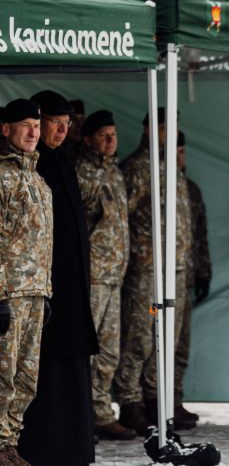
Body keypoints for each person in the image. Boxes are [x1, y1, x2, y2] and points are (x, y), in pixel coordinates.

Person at [17, 90, 99, 466]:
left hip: (70, 283)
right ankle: (45, 448)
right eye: (54, 122)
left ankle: (71, 448)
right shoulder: (32, 167)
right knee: (42, 367)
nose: (63, 130)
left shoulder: (60, 162)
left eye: (67, 124)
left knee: (69, 361)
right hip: (40, 284)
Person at [113, 108, 194, 433]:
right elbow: (122, 218)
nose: (169, 132)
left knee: (167, 339)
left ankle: (154, 398)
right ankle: (129, 399)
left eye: (173, 126)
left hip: (175, 266)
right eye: (163, 127)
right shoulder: (137, 168)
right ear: (148, 130)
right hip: (147, 267)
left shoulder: (171, 168)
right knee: (140, 335)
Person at [0, 99, 54, 466]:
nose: (34, 132)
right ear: (6, 129)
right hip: (9, 294)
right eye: (26, 125)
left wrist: (46, 291)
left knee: (26, 379)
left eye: (37, 125)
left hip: (34, 292)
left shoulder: (38, 180)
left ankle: (10, 447)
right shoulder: (1, 177)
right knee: (2, 377)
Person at [73, 109, 136, 441]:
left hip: (116, 273)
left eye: (114, 134)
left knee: (110, 350)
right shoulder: (82, 172)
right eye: (103, 135)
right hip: (95, 273)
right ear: (88, 139)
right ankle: (82, 415)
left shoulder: (114, 172)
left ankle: (100, 413)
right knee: (89, 346)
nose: (111, 141)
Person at [175, 131, 212, 413]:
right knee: (149, 343)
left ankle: (173, 398)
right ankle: (146, 401)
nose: (179, 158)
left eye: (182, 151)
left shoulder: (191, 189)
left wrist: (203, 272)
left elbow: (200, 236)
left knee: (180, 343)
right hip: (154, 280)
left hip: (185, 277)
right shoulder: (149, 180)